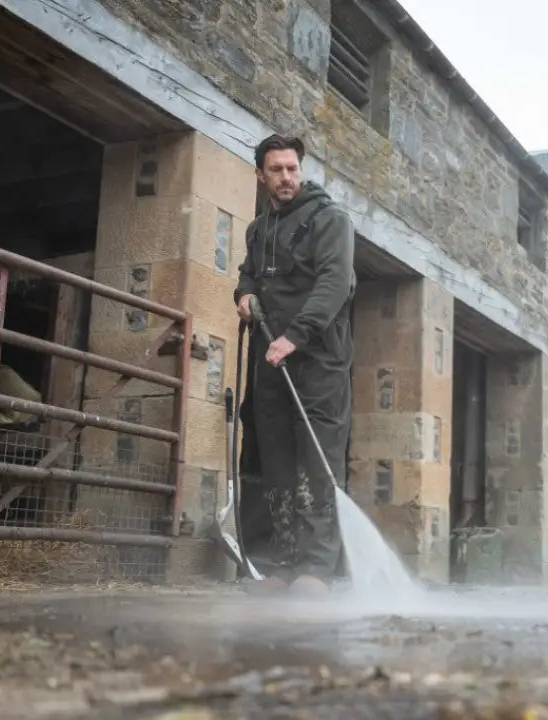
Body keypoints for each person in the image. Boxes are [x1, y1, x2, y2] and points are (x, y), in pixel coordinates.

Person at [234, 134, 356, 596]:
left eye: (292, 168)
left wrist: (295, 336)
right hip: (270, 357)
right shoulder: (258, 230)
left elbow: (334, 283)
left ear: (300, 169)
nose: (286, 177)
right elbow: (248, 274)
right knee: (276, 460)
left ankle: (318, 569)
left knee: (317, 461)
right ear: (261, 175)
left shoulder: (330, 220)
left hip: (318, 359)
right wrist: (243, 294)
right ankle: (282, 564)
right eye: (277, 170)